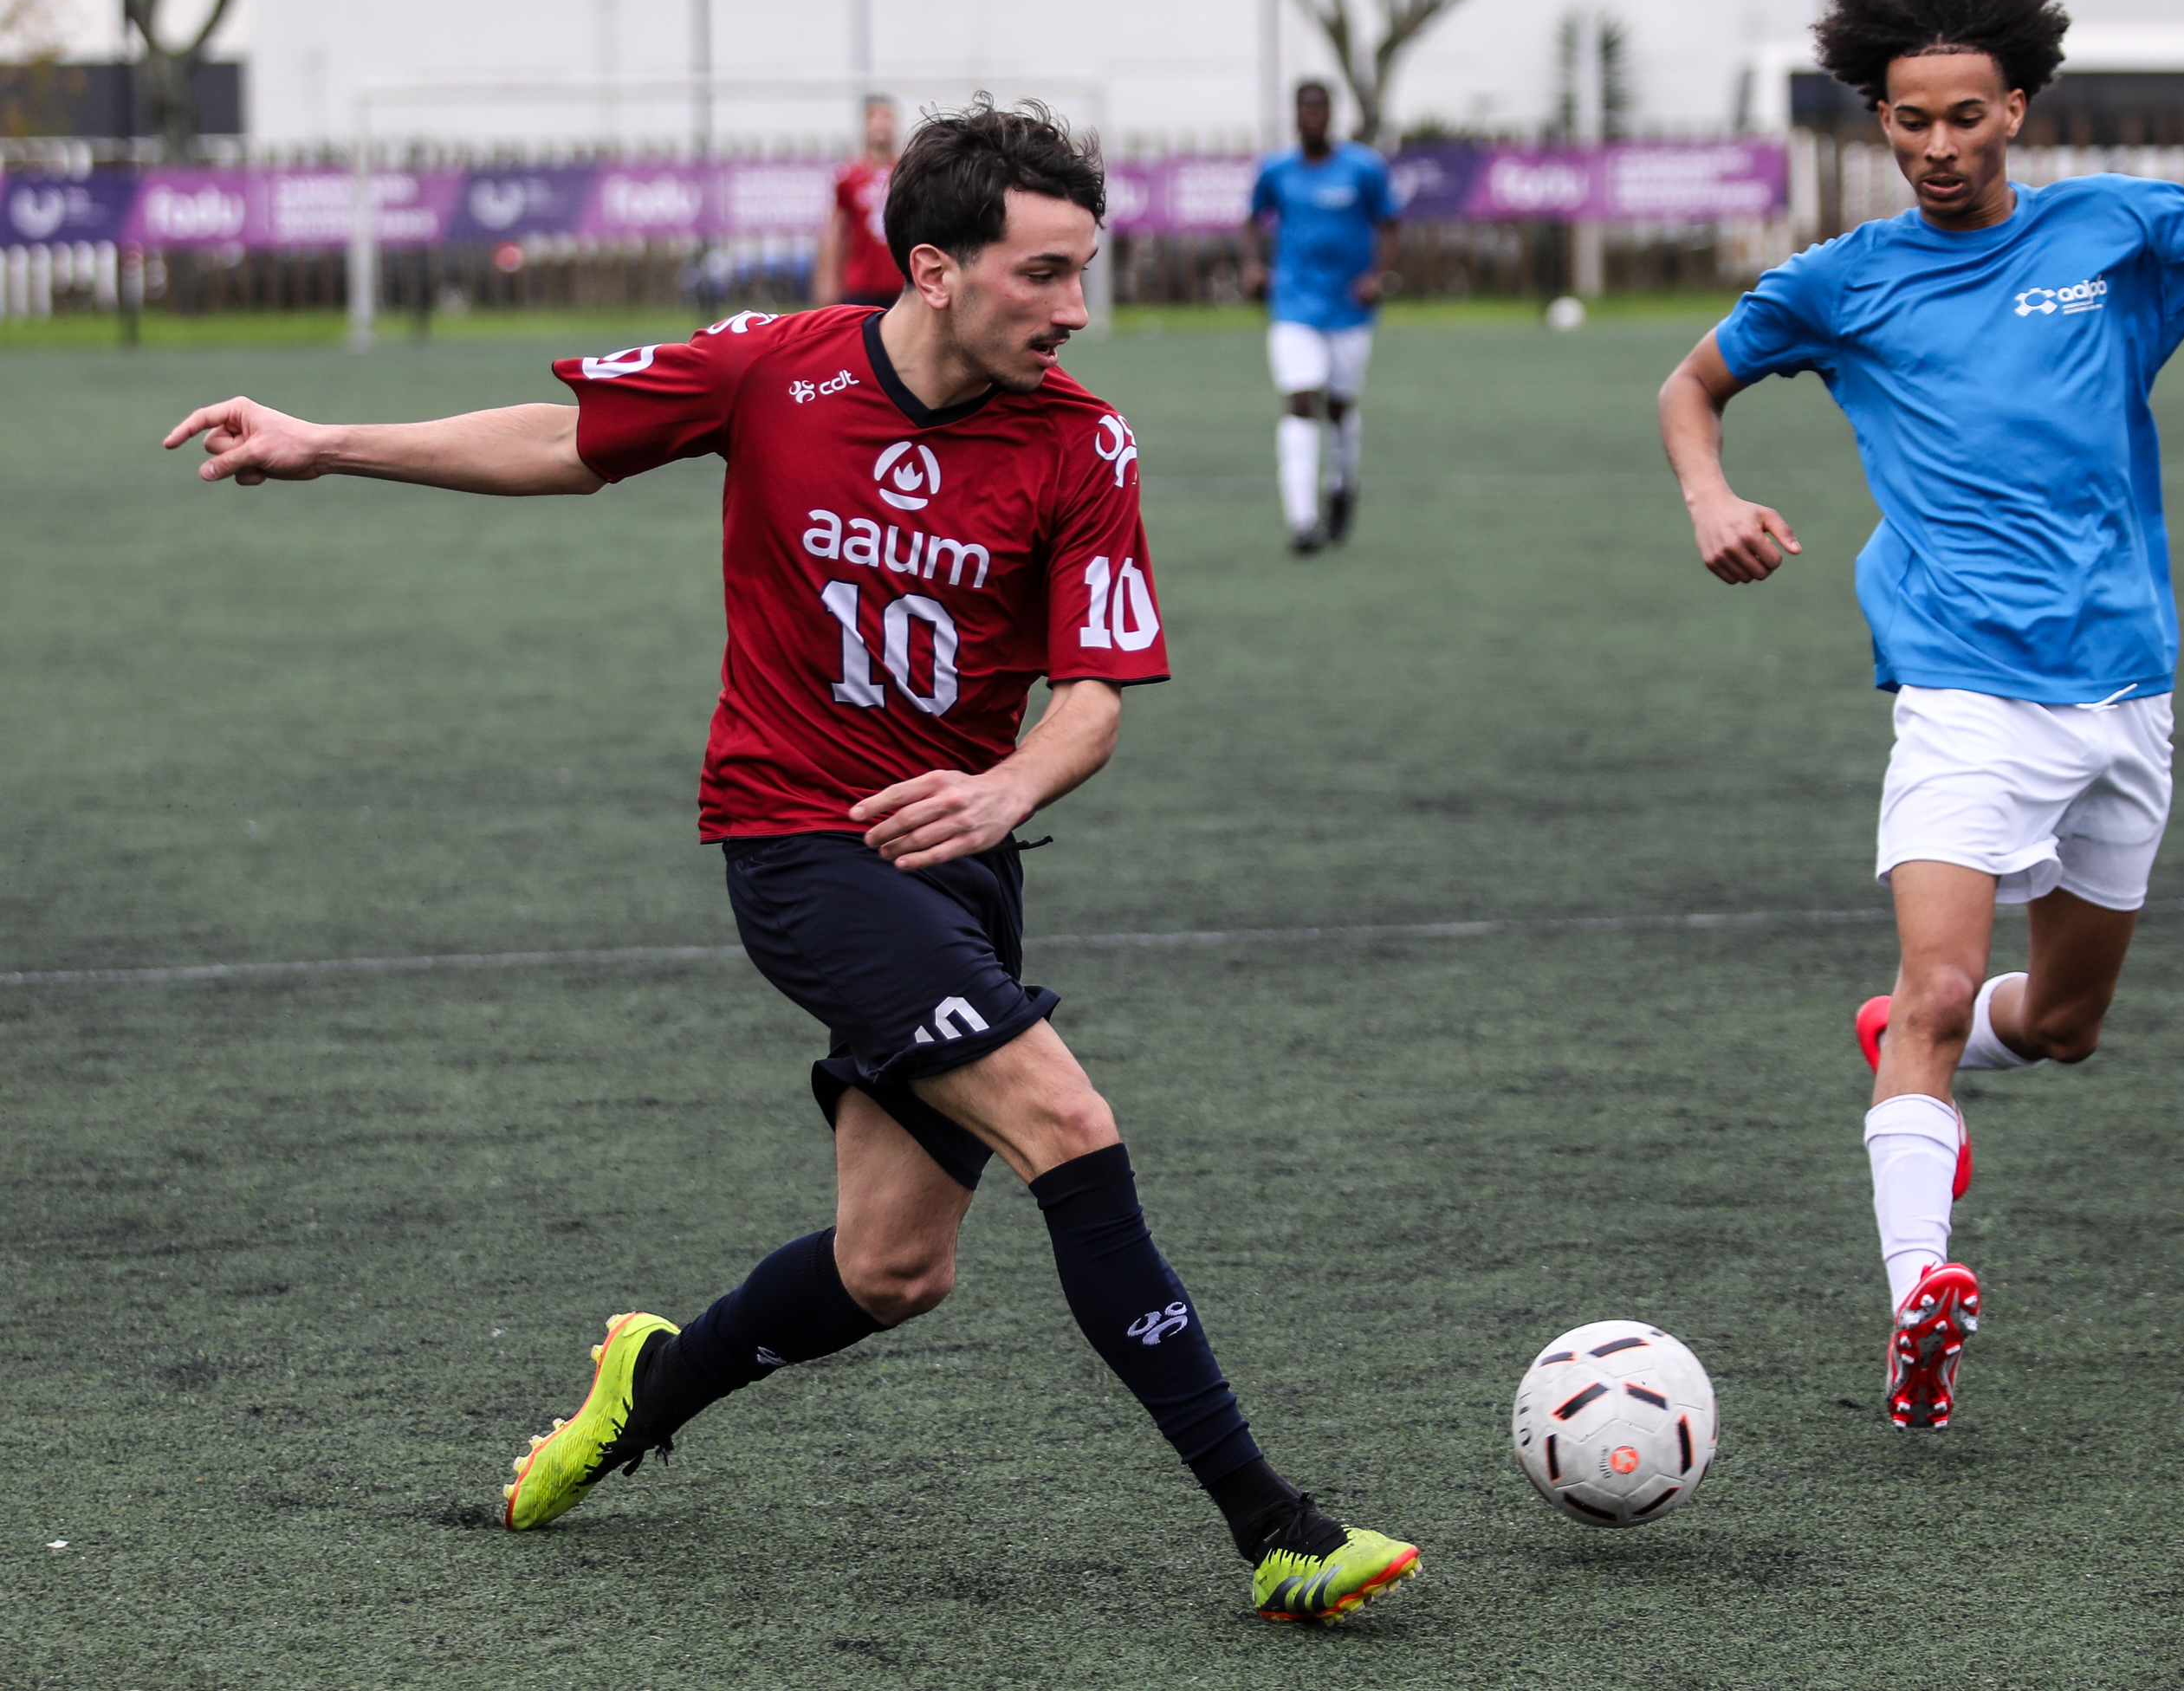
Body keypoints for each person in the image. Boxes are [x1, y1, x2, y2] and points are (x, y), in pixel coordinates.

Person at [165, 101, 1422, 1624]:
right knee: (1067, 1121)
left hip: (959, 865)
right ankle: (1278, 1529)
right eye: (1042, 273)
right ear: (936, 267)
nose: (1075, 307)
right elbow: (572, 437)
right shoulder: (781, 362)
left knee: (894, 1266)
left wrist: (1005, 780)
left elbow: (1094, 691)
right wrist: (327, 443)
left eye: (1085, 269)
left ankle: (650, 1384)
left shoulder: (1083, 440)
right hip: (798, 845)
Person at [1655, 0, 2184, 1433]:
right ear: (1877, 121)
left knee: (2068, 1022)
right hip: (1961, 689)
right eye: (1910, 119)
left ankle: (1905, 1045)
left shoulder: (2125, 236)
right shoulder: (1842, 282)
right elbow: (1688, 385)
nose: (1939, 146)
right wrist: (1710, 497)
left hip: (2125, 691)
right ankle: (1916, 1295)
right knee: (1942, 986)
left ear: (2019, 104)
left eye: (1966, 114)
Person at [1240, 79, 1400, 554]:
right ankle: (1302, 519)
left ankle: (1342, 485)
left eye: (1320, 108)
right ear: (1295, 115)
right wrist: (1253, 266)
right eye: (1304, 109)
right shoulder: (1276, 170)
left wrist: (1377, 276)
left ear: (1332, 114)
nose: (1312, 117)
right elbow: (1252, 220)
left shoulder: (1363, 168)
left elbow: (1390, 223)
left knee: (1339, 406)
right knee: (1300, 398)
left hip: (1349, 306)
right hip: (1293, 303)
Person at [813, 94, 909, 308]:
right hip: (862, 283)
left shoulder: (907, 172)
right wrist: (828, 280)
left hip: (902, 281)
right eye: (873, 118)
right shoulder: (848, 176)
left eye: (886, 117)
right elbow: (836, 231)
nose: (880, 124)